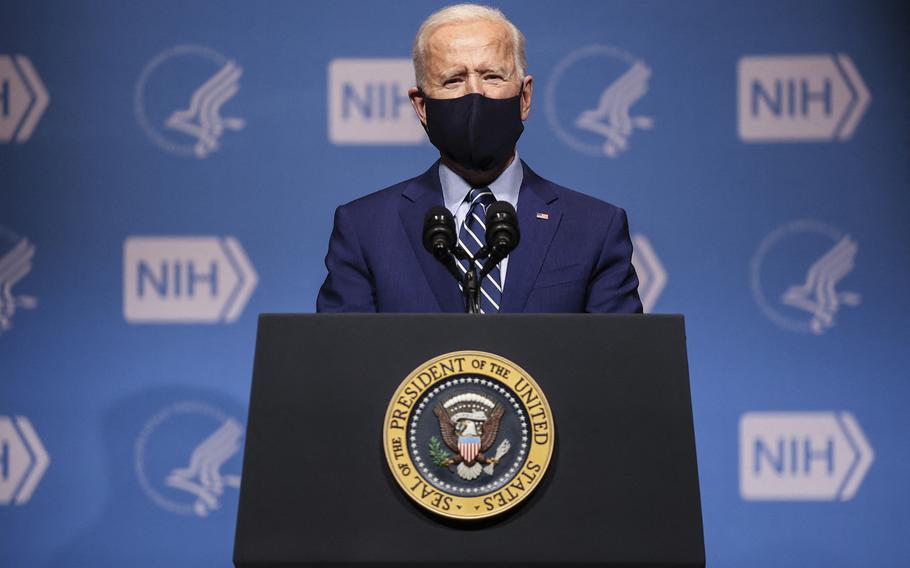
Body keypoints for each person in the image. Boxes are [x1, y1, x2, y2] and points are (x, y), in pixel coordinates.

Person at [317, 3, 642, 314]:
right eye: (453, 80)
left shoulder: (594, 228)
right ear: (421, 106)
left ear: (525, 97)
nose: (476, 93)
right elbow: (341, 363)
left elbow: (620, 364)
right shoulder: (365, 229)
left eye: (492, 76)